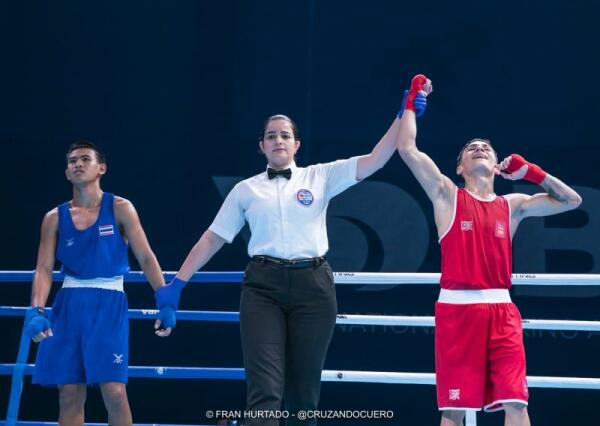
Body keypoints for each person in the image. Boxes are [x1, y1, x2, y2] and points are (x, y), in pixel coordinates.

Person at [154, 79, 431, 425]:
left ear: (296, 144)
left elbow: (376, 160)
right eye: (271, 135)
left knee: (303, 395)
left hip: (312, 287)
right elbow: (213, 237)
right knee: (265, 390)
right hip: (262, 288)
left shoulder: (320, 177)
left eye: (284, 134)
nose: (278, 140)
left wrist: (402, 114)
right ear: (261, 146)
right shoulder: (246, 190)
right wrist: (177, 286)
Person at [395, 78, 582, 426]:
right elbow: (407, 148)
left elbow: (572, 201)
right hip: (456, 310)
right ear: (459, 167)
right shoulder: (447, 195)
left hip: (502, 310)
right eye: (471, 148)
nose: (479, 148)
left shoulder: (513, 205)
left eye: (486, 147)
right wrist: (411, 102)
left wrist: (533, 173)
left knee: (517, 403)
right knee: (453, 410)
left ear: (498, 165)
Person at [25, 141, 173, 426]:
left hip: (109, 303)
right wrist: (37, 310)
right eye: (71, 161)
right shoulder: (53, 218)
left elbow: (145, 257)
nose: (77, 164)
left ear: (101, 168)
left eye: (84, 159)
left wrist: (164, 299)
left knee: (115, 392)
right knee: (68, 393)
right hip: (68, 305)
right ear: (67, 173)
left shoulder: (121, 208)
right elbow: (43, 268)